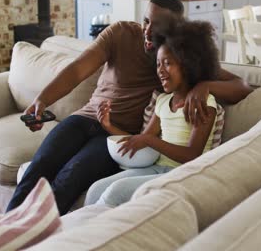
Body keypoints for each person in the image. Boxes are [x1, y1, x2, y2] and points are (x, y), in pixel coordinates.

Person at [6, 0, 252, 215]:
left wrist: (204, 86)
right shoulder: (121, 33)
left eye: (157, 27)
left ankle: (34, 238)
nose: (147, 31)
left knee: (71, 175)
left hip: (114, 136)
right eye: (146, 21)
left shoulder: (178, 57)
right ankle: (3, 232)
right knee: (39, 166)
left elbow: (241, 87)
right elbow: (77, 69)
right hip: (85, 118)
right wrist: (42, 101)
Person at [85, 19, 220, 207]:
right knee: (96, 189)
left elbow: (192, 155)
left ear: (188, 64)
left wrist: (150, 141)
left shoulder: (203, 103)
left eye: (168, 63)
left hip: (183, 174)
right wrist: (108, 125)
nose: (161, 71)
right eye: (158, 64)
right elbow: (140, 140)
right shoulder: (163, 102)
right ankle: (80, 233)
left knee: (116, 192)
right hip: (155, 168)